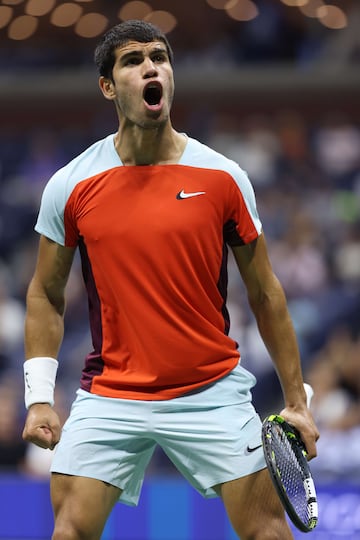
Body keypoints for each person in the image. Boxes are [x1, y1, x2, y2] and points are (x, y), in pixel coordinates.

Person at [22, 19, 319, 540]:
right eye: (133, 61)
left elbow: (266, 292)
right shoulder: (70, 184)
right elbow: (46, 293)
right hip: (111, 395)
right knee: (69, 531)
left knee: (269, 532)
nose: (150, 67)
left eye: (159, 57)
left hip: (212, 389)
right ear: (109, 86)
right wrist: (39, 396)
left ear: (171, 75)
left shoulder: (224, 177)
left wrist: (297, 401)